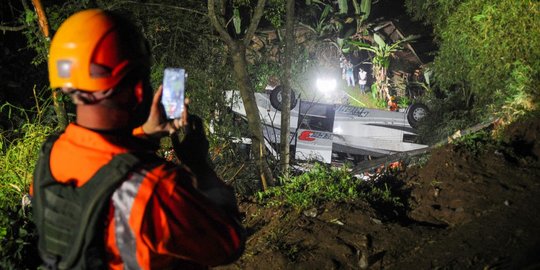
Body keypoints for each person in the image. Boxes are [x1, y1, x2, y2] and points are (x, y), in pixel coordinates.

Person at [31, 9, 245, 269]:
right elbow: (228, 243)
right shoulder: (154, 188)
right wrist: (199, 164)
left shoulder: (52, 156)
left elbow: (101, 170)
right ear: (135, 85)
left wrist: (146, 135)